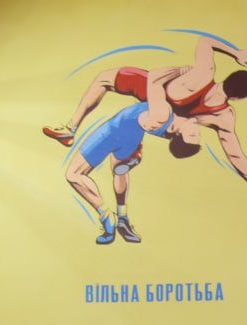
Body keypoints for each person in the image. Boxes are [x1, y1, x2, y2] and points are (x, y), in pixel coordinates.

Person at [44, 35, 247, 205]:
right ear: (239, 98)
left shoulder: (203, 73)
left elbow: (205, 41)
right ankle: (133, 151)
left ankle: (71, 128)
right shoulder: (223, 116)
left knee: (104, 80)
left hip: (154, 94)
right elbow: (234, 153)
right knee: (165, 127)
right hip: (164, 117)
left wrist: (236, 53)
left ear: (228, 77)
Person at [64, 67, 202, 245]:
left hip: (113, 132)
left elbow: (154, 77)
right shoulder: (173, 124)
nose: (197, 130)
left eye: (192, 134)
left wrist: (183, 70)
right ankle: (123, 218)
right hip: (132, 139)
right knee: (119, 172)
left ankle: (106, 215)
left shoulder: (163, 113)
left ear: (178, 132)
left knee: (73, 174)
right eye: (197, 135)